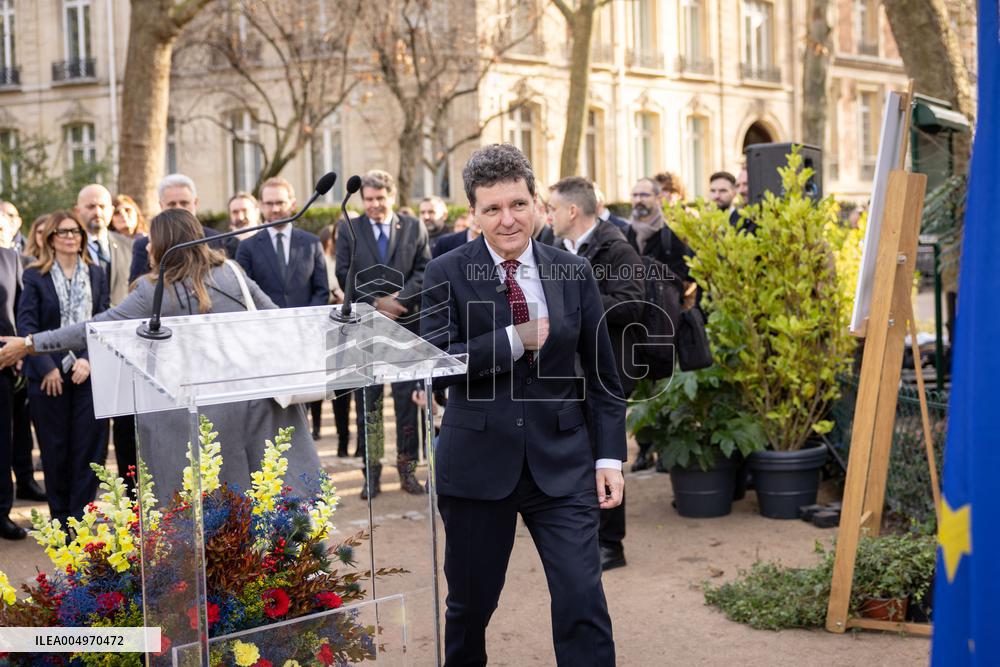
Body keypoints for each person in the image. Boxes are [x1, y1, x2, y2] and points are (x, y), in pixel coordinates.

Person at [420, 144, 625, 665]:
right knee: (470, 606)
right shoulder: (446, 271)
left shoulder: (571, 272)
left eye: (517, 204)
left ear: (537, 203)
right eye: (492, 209)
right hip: (475, 467)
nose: (507, 220)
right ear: (474, 213)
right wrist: (514, 338)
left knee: (583, 597)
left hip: (564, 465)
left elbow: (602, 374)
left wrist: (608, 458)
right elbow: (437, 364)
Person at [0, 209, 323, 500]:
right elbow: (276, 320)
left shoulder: (154, 291)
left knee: (212, 512)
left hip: (191, 421)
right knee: (258, 503)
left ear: (163, 245)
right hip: (252, 409)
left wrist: (29, 343)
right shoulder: (232, 272)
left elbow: (94, 328)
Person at [549, 176, 645, 572]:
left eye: (551, 208)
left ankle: (612, 545)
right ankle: (585, 536)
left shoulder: (617, 247)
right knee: (578, 456)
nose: (545, 215)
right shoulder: (553, 249)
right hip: (568, 373)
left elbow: (633, 305)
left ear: (572, 211)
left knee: (606, 455)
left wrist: (578, 302)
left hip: (607, 372)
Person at [335, 170, 430, 498]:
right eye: (369, 200)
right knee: (369, 406)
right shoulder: (350, 228)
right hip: (368, 331)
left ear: (391, 197)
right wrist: (376, 303)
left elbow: (424, 269)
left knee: (407, 405)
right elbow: (343, 272)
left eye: (380, 198)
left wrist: (400, 301)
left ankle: (407, 471)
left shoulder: (414, 227)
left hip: (407, 326)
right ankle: (371, 475)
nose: (374, 205)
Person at [16, 211, 110, 527]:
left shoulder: (97, 274)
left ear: (82, 237)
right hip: (48, 378)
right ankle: (59, 520)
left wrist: (87, 359)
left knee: (89, 448)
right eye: (62, 232)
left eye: (75, 231)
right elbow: (26, 324)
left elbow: (102, 321)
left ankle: (81, 520)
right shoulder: (34, 276)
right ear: (51, 239)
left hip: (88, 372)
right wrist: (45, 368)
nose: (70, 236)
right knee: (55, 451)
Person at [625, 177, 693, 472]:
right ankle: (644, 448)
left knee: (664, 385)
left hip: (665, 324)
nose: (639, 200)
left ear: (657, 199)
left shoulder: (670, 234)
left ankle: (665, 446)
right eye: (635, 194)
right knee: (639, 390)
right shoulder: (624, 232)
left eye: (644, 194)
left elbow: (688, 275)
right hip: (634, 323)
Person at [236, 177, 328, 310]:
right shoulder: (247, 247)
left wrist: (307, 317)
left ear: (293, 204)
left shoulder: (312, 243)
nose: (275, 209)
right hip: (265, 325)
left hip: (306, 324)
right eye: (269, 203)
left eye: (280, 203)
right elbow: (244, 292)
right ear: (261, 206)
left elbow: (322, 291)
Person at [129, 173, 225, 281]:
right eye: (172, 204)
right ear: (161, 205)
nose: (179, 208)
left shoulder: (216, 239)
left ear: (195, 203)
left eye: (184, 203)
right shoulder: (143, 246)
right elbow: (136, 287)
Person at [0, 213, 27, 539]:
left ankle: (2, 511)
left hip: (4, 362)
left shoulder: (11, 258)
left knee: (2, 443)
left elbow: (21, 308)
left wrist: (19, 350)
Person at [318, 224, 352, 457]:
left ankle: (362, 445)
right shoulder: (326, 260)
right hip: (332, 329)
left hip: (359, 328)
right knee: (339, 389)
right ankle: (342, 439)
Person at [76, 184, 134, 308]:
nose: (97, 212)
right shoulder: (70, 248)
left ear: (112, 211)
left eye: (102, 206)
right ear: (78, 211)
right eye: (91, 207)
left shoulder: (129, 246)